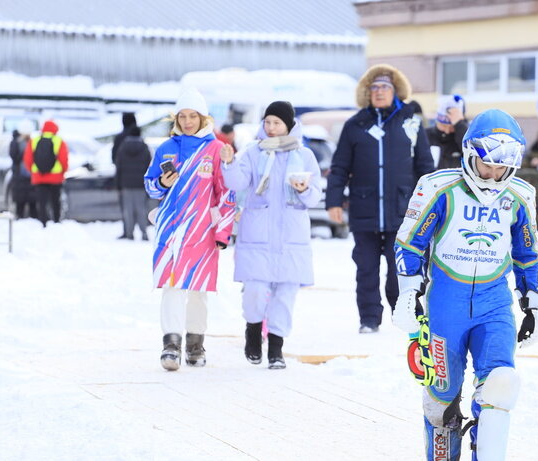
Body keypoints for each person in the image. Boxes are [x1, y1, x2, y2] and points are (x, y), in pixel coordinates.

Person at [394, 109, 538, 461]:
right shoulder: (438, 186)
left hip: (494, 304)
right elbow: (410, 243)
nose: (492, 175)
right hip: (447, 304)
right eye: (486, 165)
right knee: (441, 398)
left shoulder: (520, 195)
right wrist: (407, 293)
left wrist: (532, 304)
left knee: (500, 387)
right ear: (469, 154)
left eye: (500, 168)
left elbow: (527, 251)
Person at [325, 64, 435, 333]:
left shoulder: (411, 122)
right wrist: (334, 200)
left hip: (402, 210)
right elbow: (340, 167)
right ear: (367, 92)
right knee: (366, 269)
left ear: (395, 90)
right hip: (364, 209)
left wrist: (431, 203)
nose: (379, 92)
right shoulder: (355, 125)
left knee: (400, 268)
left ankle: (403, 314)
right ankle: (369, 319)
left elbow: (425, 166)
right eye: (374, 88)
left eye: (384, 87)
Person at [220, 101, 322, 369]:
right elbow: (237, 183)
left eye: (277, 122)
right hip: (258, 234)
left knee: (285, 295)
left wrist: (302, 189)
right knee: (254, 289)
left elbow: (314, 196)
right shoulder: (253, 152)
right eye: (267, 122)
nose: (271, 127)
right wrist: (229, 164)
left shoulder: (304, 155)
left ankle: (276, 348)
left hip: (291, 237)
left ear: (289, 125)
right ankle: (253, 331)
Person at [144, 88, 236, 371]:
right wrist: (163, 182)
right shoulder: (165, 148)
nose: (187, 121)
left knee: (197, 290)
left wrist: (223, 233)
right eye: (182, 116)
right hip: (171, 231)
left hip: (202, 232)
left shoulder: (214, 149)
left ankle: (195, 344)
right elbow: (149, 184)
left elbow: (226, 193)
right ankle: (170, 345)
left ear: (202, 117)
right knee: (171, 287)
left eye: (192, 116)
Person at [23, 120, 68, 227]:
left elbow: (27, 159)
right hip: (55, 178)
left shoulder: (34, 140)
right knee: (55, 201)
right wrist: (63, 172)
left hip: (39, 177)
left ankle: (43, 222)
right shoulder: (59, 141)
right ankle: (56, 221)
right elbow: (63, 159)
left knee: (42, 202)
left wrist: (33, 171)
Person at [115, 126, 152, 241]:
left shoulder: (122, 147)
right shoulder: (145, 148)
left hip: (126, 184)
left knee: (128, 210)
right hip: (141, 185)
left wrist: (118, 184)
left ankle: (129, 233)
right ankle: (144, 233)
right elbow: (149, 167)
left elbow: (119, 167)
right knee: (141, 209)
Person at [426, 94, 468, 169]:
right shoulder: (426, 135)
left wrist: (460, 125)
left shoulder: (462, 137)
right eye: (443, 126)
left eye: (452, 127)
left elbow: (470, 151)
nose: (447, 131)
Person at [114, 112, 138, 239]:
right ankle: (143, 231)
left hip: (123, 179)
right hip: (140, 180)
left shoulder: (119, 138)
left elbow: (114, 158)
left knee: (126, 207)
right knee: (140, 207)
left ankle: (127, 231)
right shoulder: (140, 137)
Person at [9, 122, 37, 219]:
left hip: (30, 176)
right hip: (19, 177)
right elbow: (14, 157)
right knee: (20, 203)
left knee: (33, 202)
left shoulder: (33, 142)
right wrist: (24, 152)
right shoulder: (15, 142)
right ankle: (20, 219)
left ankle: (33, 220)